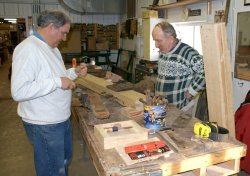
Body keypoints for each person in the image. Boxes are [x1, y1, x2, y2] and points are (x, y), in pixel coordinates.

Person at [11, 10, 87, 176]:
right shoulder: (28, 49)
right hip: (44, 124)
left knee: (62, 165)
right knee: (52, 171)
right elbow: (19, 90)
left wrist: (73, 73)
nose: (65, 38)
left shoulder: (52, 48)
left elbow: (55, 77)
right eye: (63, 33)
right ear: (52, 27)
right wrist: (57, 82)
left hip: (59, 120)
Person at [152, 21, 205, 110]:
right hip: (162, 107)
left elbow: (205, 72)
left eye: (159, 41)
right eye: (155, 40)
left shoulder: (188, 53)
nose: (156, 45)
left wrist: (192, 91)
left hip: (180, 109)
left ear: (171, 39)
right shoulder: (163, 51)